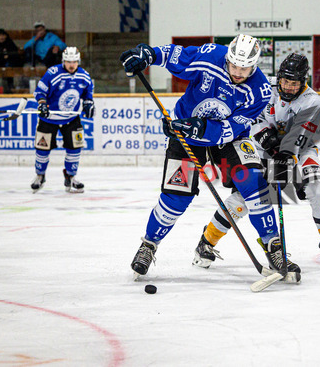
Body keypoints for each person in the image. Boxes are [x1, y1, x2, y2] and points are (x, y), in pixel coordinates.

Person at [119, 34, 301, 282]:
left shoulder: (259, 91)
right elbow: (177, 56)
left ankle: (274, 248)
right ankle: (149, 245)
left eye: (244, 68)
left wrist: (203, 129)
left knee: (255, 184)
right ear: (228, 58)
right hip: (185, 132)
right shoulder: (211, 56)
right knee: (176, 197)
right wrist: (150, 55)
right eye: (234, 65)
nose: (238, 72)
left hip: (228, 139)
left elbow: (233, 127)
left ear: (255, 65)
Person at [193, 53, 320, 271]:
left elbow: (300, 134)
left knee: (319, 188)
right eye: (285, 81)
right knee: (243, 199)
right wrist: (263, 134)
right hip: (261, 150)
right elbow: (250, 117)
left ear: (303, 81)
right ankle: (207, 241)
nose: (288, 87)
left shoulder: (312, 100)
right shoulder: (264, 87)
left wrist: (285, 156)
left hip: (300, 150)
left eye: (294, 83)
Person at [31, 47, 95, 193]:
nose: (71, 65)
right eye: (68, 61)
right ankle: (40, 176)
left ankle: (70, 177)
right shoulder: (52, 73)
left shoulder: (84, 76)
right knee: (42, 149)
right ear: (63, 61)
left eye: (74, 61)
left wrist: (88, 103)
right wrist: (42, 103)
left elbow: (88, 93)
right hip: (49, 119)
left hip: (71, 118)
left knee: (75, 148)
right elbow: (39, 91)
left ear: (78, 61)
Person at [0, 29, 21, 93]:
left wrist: (5, 56)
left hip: (7, 63)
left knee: (9, 66)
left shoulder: (10, 43)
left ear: (6, 36)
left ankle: (10, 83)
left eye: (3, 35)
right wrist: (2, 57)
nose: (1, 37)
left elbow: (14, 55)